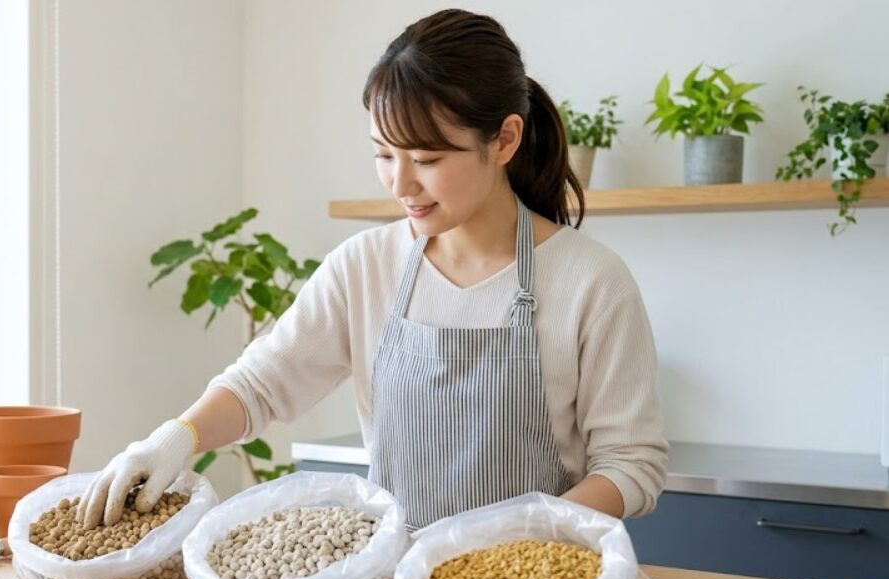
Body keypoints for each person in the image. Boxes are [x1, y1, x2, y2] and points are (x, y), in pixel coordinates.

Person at [78, 8, 666, 530]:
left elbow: (630, 464)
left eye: (426, 158)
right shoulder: (364, 267)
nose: (400, 184)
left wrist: (528, 533)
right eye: (384, 154)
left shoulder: (591, 281)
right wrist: (174, 439)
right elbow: (260, 385)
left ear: (505, 140)